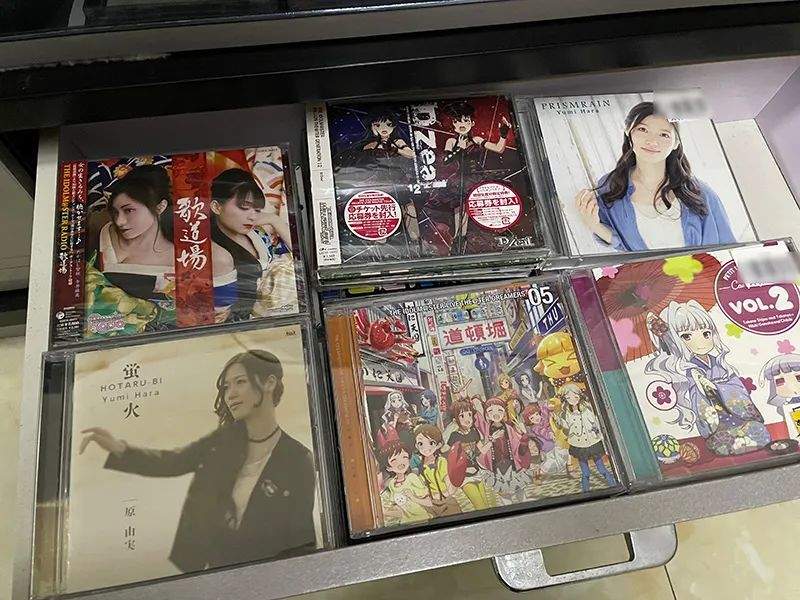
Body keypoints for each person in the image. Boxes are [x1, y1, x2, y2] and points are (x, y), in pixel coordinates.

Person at [79, 350, 316, 572]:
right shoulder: (223, 441)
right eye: (226, 387)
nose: (230, 394)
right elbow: (174, 461)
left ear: (269, 383)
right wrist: (119, 448)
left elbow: (301, 542)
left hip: (260, 577)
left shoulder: (298, 460)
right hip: (208, 571)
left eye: (240, 382)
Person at [575, 101, 736, 252]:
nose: (652, 141)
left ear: (676, 143)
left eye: (664, 135)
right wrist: (595, 226)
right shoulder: (612, 187)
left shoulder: (699, 192)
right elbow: (627, 250)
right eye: (643, 130)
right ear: (629, 133)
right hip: (646, 274)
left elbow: (728, 248)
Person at [646, 300, 771, 456]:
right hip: (719, 423)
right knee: (722, 442)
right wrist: (700, 386)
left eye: (706, 333)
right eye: (686, 336)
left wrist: (716, 387)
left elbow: (737, 387)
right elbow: (695, 400)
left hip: (738, 416)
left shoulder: (720, 364)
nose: (700, 341)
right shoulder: (686, 370)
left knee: (759, 431)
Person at [210, 168, 294, 322]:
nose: (252, 216)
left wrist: (274, 220)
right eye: (244, 208)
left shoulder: (256, 233)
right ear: (216, 207)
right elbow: (221, 317)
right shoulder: (219, 257)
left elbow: (300, 256)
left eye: (257, 209)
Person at [96, 165, 176, 308]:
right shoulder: (101, 226)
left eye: (129, 210)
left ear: (160, 207)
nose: (119, 221)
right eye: (115, 211)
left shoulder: (177, 257)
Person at [440, 101, 512, 253]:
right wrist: (459, 148)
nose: (461, 124)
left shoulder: (476, 139)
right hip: (461, 181)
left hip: (478, 179)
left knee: (486, 209)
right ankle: (458, 246)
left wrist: (503, 134)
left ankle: (501, 236)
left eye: (465, 120)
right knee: (461, 216)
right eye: (457, 121)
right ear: (453, 123)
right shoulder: (451, 141)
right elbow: (446, 161)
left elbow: (499, 149)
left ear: (472, 123)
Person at [552, 383, 617, 493]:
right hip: (579, 444)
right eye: (569, 397)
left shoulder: (587, 409)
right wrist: (557, 420)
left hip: (592, 442)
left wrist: (600, 434)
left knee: (602, 469)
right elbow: (566, 427)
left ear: (579, 395)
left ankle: (614, 486)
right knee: (585, 473)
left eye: (575, 396)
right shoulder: (567, 413)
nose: (572, 399)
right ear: (565, 399)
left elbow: (595, 422)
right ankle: (585, 492)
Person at [378, 440, 433, 526]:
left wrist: (413, 497)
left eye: (404, 457)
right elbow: (400, 509)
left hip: (422, 519)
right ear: (388, 468)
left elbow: (429, 502)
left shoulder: (412, 478)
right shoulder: (392, 484)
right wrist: (384, 512)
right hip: (405, 523)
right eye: (394, 460)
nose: (401, 462)